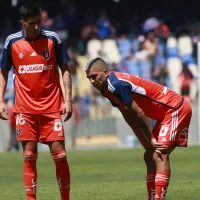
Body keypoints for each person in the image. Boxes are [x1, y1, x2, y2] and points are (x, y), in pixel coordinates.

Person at [84, 57, 192, 200]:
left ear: (106, 72)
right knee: (149, 155)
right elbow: (127, 113)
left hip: (175, 109)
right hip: (164, 114)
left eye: (94, 76)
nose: (92, 81)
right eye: (88, 78)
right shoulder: (105, 89)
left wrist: (152, 139)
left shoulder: (115, 85)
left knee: (160, 155)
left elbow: (139, 113)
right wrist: (144, 141)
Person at [0, 3, 73, 200]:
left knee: (60, 156)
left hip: (52, 107)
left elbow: (65, 70)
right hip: (25, 110)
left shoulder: (52, 39)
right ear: (22, 23)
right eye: (31, 23)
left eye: (39, 22)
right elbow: (3, 73)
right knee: (29, 156)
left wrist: (68, 100)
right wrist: (0, 101)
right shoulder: (12, 42)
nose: (36, 27)